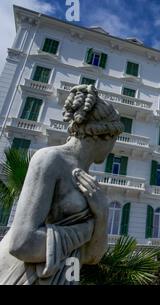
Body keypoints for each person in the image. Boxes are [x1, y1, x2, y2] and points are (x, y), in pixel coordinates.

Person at [0, 84, 123, 284]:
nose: (112, 149)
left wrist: (102, 214)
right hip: (22, 277)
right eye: (114, 140)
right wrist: (85, 231)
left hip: (66, 276)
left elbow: (93, 257)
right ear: (103, 136)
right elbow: (22, 244)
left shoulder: (89, 182)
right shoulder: (50, 159)